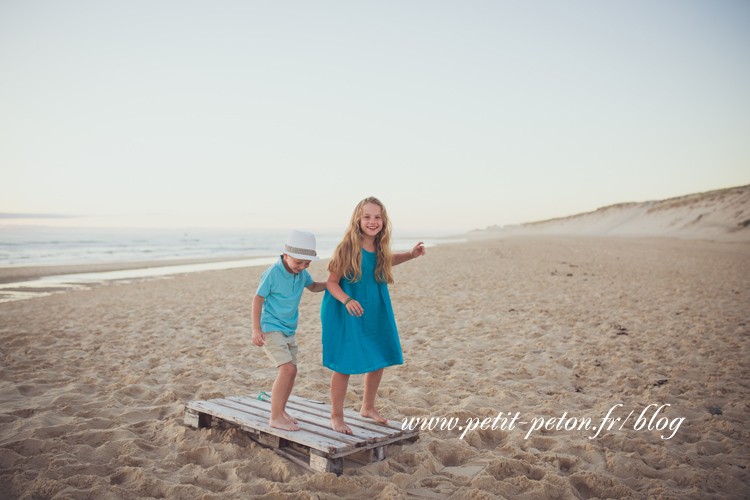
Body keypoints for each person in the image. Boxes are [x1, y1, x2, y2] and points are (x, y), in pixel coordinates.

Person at [321, 197, 425, 434]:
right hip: (347, 309)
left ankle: (367, 407)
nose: (372, 221)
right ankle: (336, 416)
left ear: (383, 221)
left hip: (375, 306)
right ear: (357, 220)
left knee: (379, 355)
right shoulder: (347, 247)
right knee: (345, 363)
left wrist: (411, 254)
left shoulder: (380, 246)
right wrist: (347, 300)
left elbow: (386, 261)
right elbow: (331, 283)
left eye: (377, 217)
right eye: (367, 216)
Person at [252, 230, 326, 431]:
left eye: (306, 264)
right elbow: (258, 299)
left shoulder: (301, 273)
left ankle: (281, 410)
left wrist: (332, 284)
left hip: (289, 329)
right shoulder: (272, 273)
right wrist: (256, 328)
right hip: (271, 327)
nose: (302, 267)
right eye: (298, 263)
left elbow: (314, 287)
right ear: (286, 255)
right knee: (286, 369)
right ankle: (275, 417)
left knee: (293, 371)